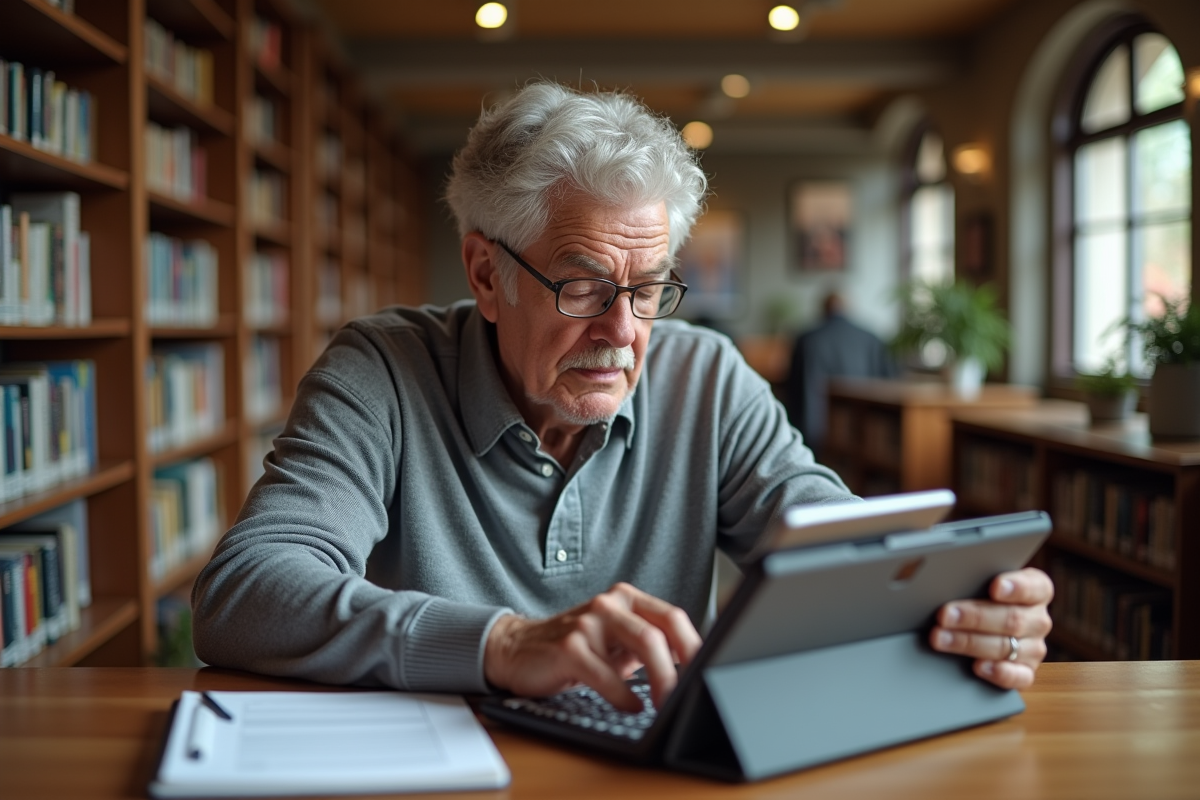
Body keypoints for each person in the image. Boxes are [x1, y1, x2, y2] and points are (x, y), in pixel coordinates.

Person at [192, 83, 1053, 714]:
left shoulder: (707, 377)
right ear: (486, 274)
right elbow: (246, 592)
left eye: (648, 289)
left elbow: (822, 533)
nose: (623, 330)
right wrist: (504, 643)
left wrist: (951, 605)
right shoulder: (380, 370)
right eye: (583, 286)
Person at [784, 292, 899, 453]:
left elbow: (792, 386)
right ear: (848, 308)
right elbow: (888, 379)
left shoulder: (807, 339)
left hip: (815, 428)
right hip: (866, 427)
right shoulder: (871, 338)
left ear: (823, 309)